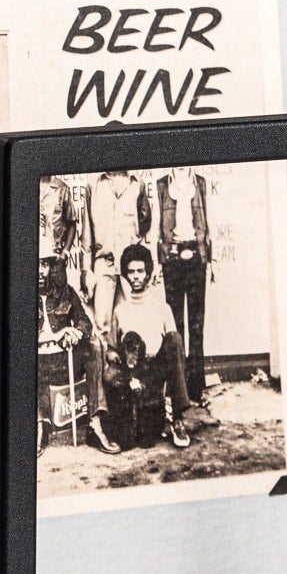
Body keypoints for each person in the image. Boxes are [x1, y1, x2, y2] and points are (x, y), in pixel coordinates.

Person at [106, 245, 192, 450]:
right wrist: (115, 359)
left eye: (140, 271)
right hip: (133, 372)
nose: (136, 277)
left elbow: (175, 347)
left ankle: (177, 418)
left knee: (174, 338)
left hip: (157, 370)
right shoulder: (120, 310)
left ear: (148, 273)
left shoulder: (162, 307)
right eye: (131, 272)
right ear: (126, 275)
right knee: (143, 442)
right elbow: (111, 348)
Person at [35, 253, 119, 454]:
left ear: (51, 267)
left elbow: (83, 320)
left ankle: (95, 423)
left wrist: (76, 333)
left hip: (64, 361)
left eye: (44, 264)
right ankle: (38, 425)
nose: (39, 270)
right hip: (38, 365)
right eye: (34, 263)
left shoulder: (66, 292)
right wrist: (56, 335)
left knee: (94, 345)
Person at [156, 166, 213, 404]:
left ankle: (197, 389)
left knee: (196, 326)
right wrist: (159, 263)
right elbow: (156, 228)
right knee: (176, 326)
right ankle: (179, 392)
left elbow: (209, 224)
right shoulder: (161, 185)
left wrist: (211, 261)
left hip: (196, 259)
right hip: (173, 260)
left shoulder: (200, 183)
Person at [80, 169, 152, 336]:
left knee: (133, 322)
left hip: (129, 265)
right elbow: (87, 230)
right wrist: (87, 269)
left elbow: (145, 219)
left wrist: (130, 240)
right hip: (104, 263)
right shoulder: (94, 184)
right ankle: (106, 362)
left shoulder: (136, 183)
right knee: (102, 325)